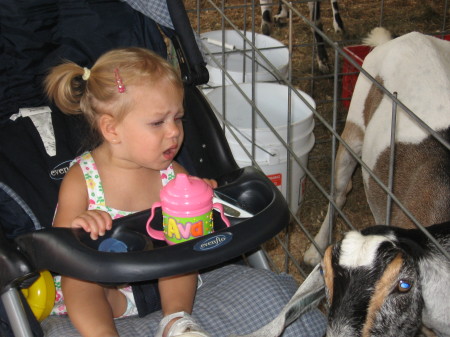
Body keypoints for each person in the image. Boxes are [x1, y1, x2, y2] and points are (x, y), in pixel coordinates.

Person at [45, 47, 215, 337]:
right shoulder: (82, 179)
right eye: (158, 122)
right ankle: (102, 333)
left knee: (181, 258)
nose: (174, 132)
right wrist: (82, 225)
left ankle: (176, 321)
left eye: (178, 118)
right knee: (79, 282)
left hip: (165, 281)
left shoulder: (173, 175)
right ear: (112, 130)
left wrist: (203, 199)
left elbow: (194, 233)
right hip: (109, 291)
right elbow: (59, 250)